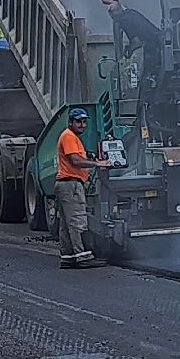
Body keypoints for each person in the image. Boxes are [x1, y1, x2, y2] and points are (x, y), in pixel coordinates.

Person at [55, 108, 111, 269]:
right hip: (71, 185)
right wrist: (98, 164)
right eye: (78, 121)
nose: (82, 125)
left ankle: (68, 257)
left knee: (66, 225)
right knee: (77, 221)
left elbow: (79, 158)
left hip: (66, 185)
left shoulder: (71, 137)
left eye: (84, 121)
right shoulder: (68, 136)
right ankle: (83, 257)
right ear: (70, 122)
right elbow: (75, 161)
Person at [100, 0, 165, 82]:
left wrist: (127, 52)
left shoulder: (125, 20)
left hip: (153, 49)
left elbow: (136, 42)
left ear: (117, 13)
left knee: (140, 75)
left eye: (113, 17)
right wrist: (110, 1)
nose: (113, 19)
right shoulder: (131, 12)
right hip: (158, 45)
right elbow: (121, 5)